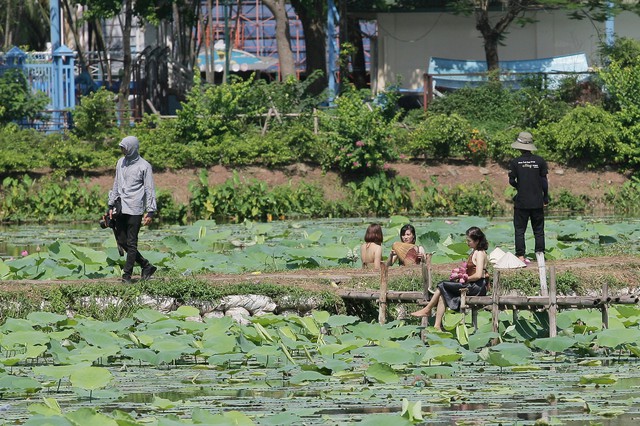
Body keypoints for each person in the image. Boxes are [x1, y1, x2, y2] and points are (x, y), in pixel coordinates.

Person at [410, 226, 489, 330]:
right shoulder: (475, 251)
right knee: (443, 293)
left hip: (476, 287)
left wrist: (465, 278)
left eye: (469, 241)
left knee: (442, 284)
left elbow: (478, 275)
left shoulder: (479, 253)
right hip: (473, 284)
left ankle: (428, 309)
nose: (467, 243)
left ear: (477, 241)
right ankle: (437, 326)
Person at [108, 135, 158, 283]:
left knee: (131, 243)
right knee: (122, 240)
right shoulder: (120, 163)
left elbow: (149, 189)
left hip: (135, 209)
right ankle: (145, 265)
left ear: (132, 148)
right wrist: (110, 205)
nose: (122, 150)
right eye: (121, 147)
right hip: (121, 207)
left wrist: (150, 211)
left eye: (125, 147)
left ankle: (126, 275)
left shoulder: (144, 166)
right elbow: (116, 184)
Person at [508, 131, 549, 263]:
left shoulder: (515, 162)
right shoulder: (540, 161)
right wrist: (545, 197)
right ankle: (540, 254)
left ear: (520, 147)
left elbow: (511, 181)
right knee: (538, 230)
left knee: (520, 230)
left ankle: (520, 256)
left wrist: (520, 187)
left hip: (522, 202)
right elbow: (544, 181)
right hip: (537, 201)